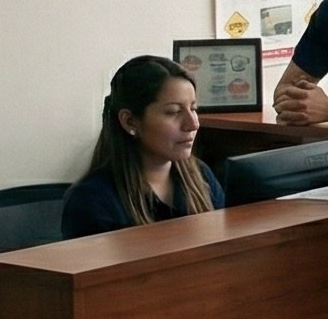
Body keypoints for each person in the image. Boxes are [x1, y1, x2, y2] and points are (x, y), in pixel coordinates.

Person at [61, 55, 224, 238]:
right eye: (174, 112)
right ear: (130, 121)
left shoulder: (200, 176)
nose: (193, 124)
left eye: (193, 109)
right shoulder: (92, 199)